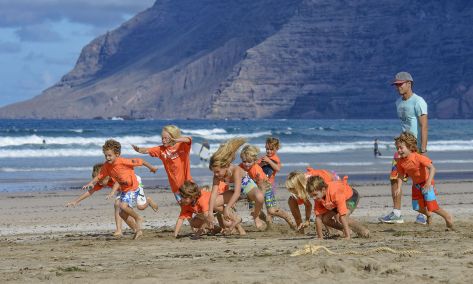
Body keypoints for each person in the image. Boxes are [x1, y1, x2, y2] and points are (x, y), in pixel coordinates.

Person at [82, 139, 158, 240]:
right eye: (105, 155)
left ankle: (139, 215)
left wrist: (152, 168)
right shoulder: (107, 166)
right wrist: (91, 183)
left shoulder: (124, 161)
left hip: (134, 185)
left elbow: (141, 161)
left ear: (117, 154)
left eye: (109, 155)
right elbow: (100, 176)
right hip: (125, 189)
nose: (107, 158)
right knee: (122, 213)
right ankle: (138, 230)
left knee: (136, 206)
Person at [379, 71, 428, 225]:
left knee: (418, 182)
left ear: (409, 84)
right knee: (394, 178)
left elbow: (423, 125)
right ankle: (397, 213)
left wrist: (423, 148)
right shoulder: (398, 103)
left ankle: (423, 214)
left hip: (415, 148)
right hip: (402, 148)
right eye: (396, 85)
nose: (398, 87)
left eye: (400, 84)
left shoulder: (418, 101)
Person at [66, 163, 158, 237]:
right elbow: (90, 192)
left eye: (101, 181)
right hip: (124, 190)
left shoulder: (114, 176)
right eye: (98, 181)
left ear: (107, 176)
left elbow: (118, 183)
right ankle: (123, 230)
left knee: (141, 207)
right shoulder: (101, 182)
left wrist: (113, 192)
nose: (100, 183)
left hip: (135, 184)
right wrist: (76, 201)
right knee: (117, 205)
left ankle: (148, 200)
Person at [393, 132, 453, 229]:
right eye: (397, 148)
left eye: (401, 148)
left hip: (427, 183)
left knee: (432, 206)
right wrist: (399, 188)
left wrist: (429, 182)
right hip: (416, 185)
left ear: (409, 147)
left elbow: (432, 168)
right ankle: (428, 215)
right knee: (416, 207)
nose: (399, 150)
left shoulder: (418, 157)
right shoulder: (400, 162)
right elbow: (400, 174)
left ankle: (447, 216)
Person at [207, 137, 265, 232]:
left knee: (260, 197)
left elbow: (237, 193)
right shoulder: (217, 176)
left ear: (225, 166)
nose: (216, 174)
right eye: (214, 172)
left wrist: (228, 207)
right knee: (213, 204)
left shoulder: (235, 170)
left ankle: (256, 215)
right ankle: (236, 218)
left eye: (217, 171)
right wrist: (209, 212)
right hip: (235, 191)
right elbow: (213, 193)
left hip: (247, 187)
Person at [239, 144, 295, 229]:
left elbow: (262, 187)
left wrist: (259, 201)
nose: (246, 164)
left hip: (266, 187)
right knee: (254, 211)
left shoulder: (256, 170)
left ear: (254, 161)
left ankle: (289, 220)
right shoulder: (240, 167)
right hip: (253, 189)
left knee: (272, 211)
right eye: (244, 161)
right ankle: (268, 223)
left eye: (249, 162)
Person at [132, 125, 192, 204]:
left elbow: (189, 139)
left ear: (173, 137)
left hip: (187, 185)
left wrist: (176, 140)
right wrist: (139, 150)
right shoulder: (161, 150)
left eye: (166, 138)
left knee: (193, 207)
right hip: (175, 188)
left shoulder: (182, 146)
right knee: (184, 208)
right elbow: (148, 150)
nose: (163, 140)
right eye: (162, 138)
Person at [306, 176, 370, 240]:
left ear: (323, 190)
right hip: (335, 201)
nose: (314, 198)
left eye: (315, 195)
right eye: (311, 196)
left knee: (341, 217)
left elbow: (343, 216)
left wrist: (347, 237)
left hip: (350, 196)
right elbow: (318, 218)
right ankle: (346, 230)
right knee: (325, 219)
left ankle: (364, 231)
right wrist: (320, 237)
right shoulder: (318, 198)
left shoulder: (335, 193)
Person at [285, 167, 340, 233]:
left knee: (328, 207)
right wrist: (307, 220)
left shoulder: (314, 184)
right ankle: (300, 229)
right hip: (310, 186)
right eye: (290, 189)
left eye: (293, 188)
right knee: (291, 200)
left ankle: (338, 229)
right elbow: (308, 205)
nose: (291, 191)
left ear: (299, 185)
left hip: (332, 181)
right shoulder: (302, 186)